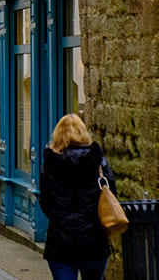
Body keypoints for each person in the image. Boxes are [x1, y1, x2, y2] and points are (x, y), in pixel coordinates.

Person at [39, 114, 115, 280]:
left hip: (60, 243)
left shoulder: (50, 163)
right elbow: (111, 195)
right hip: (93, 241)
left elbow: (45, 202)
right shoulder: (98, 163)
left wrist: (61, 218)